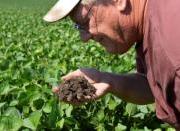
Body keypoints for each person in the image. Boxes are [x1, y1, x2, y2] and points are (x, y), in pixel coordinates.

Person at [43, 0, 180, 129]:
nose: (83, 38)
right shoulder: (148, 22)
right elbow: (154, 85)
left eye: (86, 22)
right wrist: (108, 80)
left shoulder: (171, 47)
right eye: (78, 27)